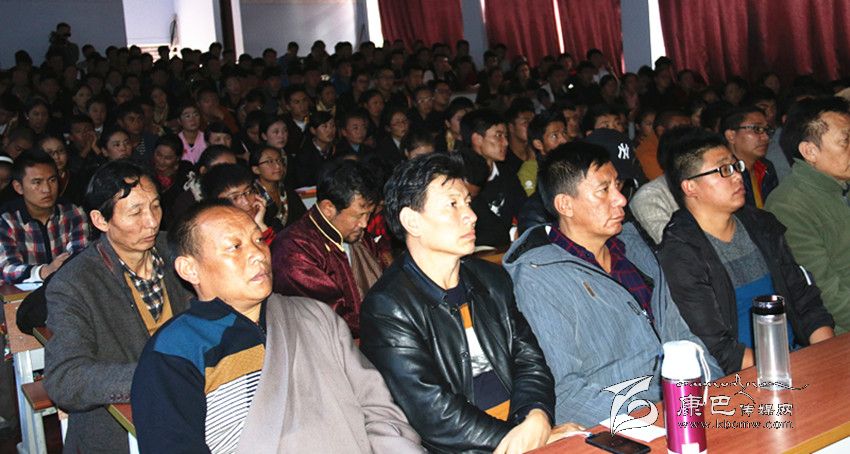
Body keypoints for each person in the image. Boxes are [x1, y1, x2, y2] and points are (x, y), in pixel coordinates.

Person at [131, 200, 422, 453]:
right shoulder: (176, 350)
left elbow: (379, 411)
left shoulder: (314, 316)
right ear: (190, 269)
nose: (259, 254)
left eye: (259, 240)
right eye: (235, 247)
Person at [362, 152, 582, 453]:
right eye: (453, 205)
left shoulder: (490, 279)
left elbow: (529, 361)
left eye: (467, 202)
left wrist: (536, 418)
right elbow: (433, 413)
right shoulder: (388, 307)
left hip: (523, 432)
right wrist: (521, 438)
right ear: (412, 221)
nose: (471, 215)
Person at [503, 142, 721, 427]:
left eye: (617, 186)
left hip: (682, 407)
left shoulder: (633, 249)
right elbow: (566, 395)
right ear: (565, 205)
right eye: (603, 190)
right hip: (621, 426)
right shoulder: (538, 277)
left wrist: (715, 389)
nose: (620, 199)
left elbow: (683, 337)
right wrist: (653, 416)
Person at [44, 160, 192, 453]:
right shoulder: (75, 283)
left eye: (155, 206)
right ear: (100, 220)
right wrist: (158, 374)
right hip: (117, 430)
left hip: (188, 409)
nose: (152, 222)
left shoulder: (177, 251)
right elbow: (65, 378)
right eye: (136, 212)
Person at [659, 127, 834, 374]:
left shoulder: (761, 225)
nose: (737, 176)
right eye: (723, 170)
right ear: (690, 187)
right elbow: (719, 348)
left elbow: (806, 302)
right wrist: (784, 368)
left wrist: (827, 356)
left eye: (736, 166)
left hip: (796, 360)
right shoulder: (682, 252)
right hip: (747, 377)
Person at [272, 159, 388, 337]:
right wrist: (393, 319)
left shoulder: (355, 233)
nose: (365, 224)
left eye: (369, 214)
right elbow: (333, 317)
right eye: (359, 215)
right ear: (328, 208)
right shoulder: (293, 251)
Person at [765, 96, 850, 333]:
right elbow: (826, 295)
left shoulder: (840, 185)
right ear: (810, 151)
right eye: (846, 140)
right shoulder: (789, 205)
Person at [0, 150, 89, 284]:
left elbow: (81, 258)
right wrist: (44, 271)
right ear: (19, 187)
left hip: (66, 289)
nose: (47, 189)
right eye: (37, 182)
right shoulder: (6, 219)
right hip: (21, 295)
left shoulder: (72, 212)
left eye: (52, 180)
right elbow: (7, 269)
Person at [461, 109, 526, 248]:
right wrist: (512, 233)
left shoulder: (506, 172)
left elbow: (525, 208)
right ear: (477, 139)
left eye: (506, 136)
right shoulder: (463, 180)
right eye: (498, 136)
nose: (506, 142)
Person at [721, 106, 777, 208]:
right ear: (731, 136)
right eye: (757, 129)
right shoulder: (724, 174)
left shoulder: (766, 168)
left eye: (767, 130)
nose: (766, 137)